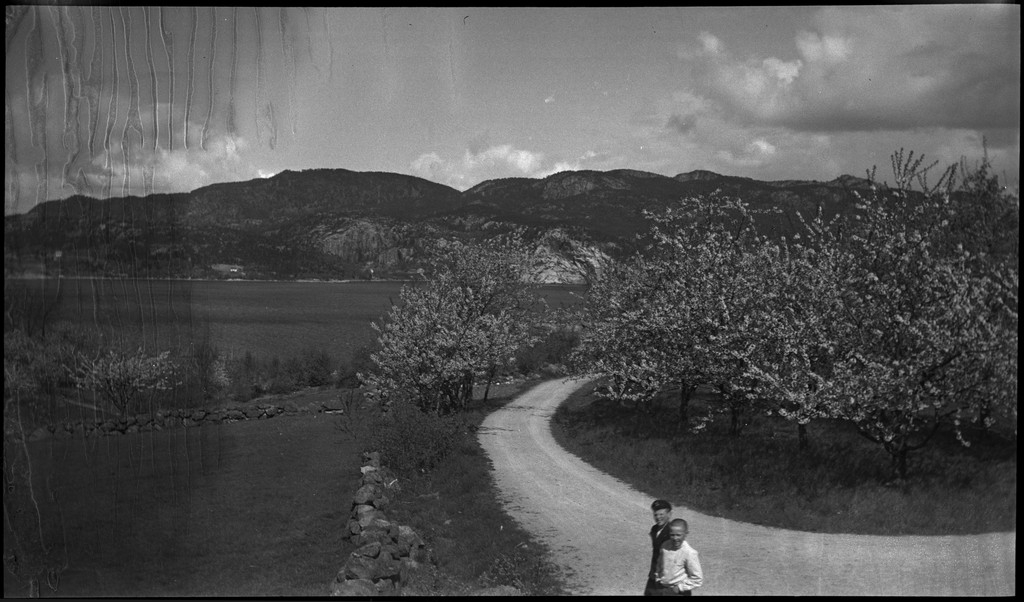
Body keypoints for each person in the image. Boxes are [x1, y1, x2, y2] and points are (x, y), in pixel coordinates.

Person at [651, 518, 703, 596]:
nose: (675, 538)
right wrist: (657, 577)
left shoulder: (689, 553)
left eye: (678, 535)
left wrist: (680, 587)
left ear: (686, 534)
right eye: (672, 535)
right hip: (662, 588)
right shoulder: (665, 546)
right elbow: (660, 563)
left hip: (678, 592)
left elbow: (697, 579)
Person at [644, 499, 674, 595]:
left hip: (666, 577)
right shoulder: (654, 529)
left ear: (669, 514)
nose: (658, 517)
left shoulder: (672, 532)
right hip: (653, 574)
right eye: (656, 515)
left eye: (661, 514)